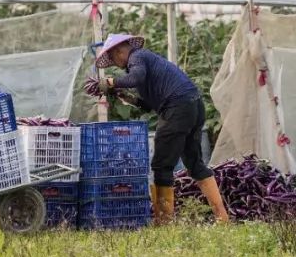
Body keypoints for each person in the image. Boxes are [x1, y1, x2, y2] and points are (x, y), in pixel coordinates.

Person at [95, 32, 229, 224]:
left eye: (113, 59)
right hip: (193, 105)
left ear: (119, 51)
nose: (115, 64)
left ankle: (164, 221)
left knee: (161, 166)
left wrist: (111, 82)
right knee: (195, 164)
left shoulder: (137, 57)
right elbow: (150, 105)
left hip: (177, 107)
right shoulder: (146, 61)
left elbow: (136, 78)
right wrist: (129, 99)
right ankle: (222, 217)